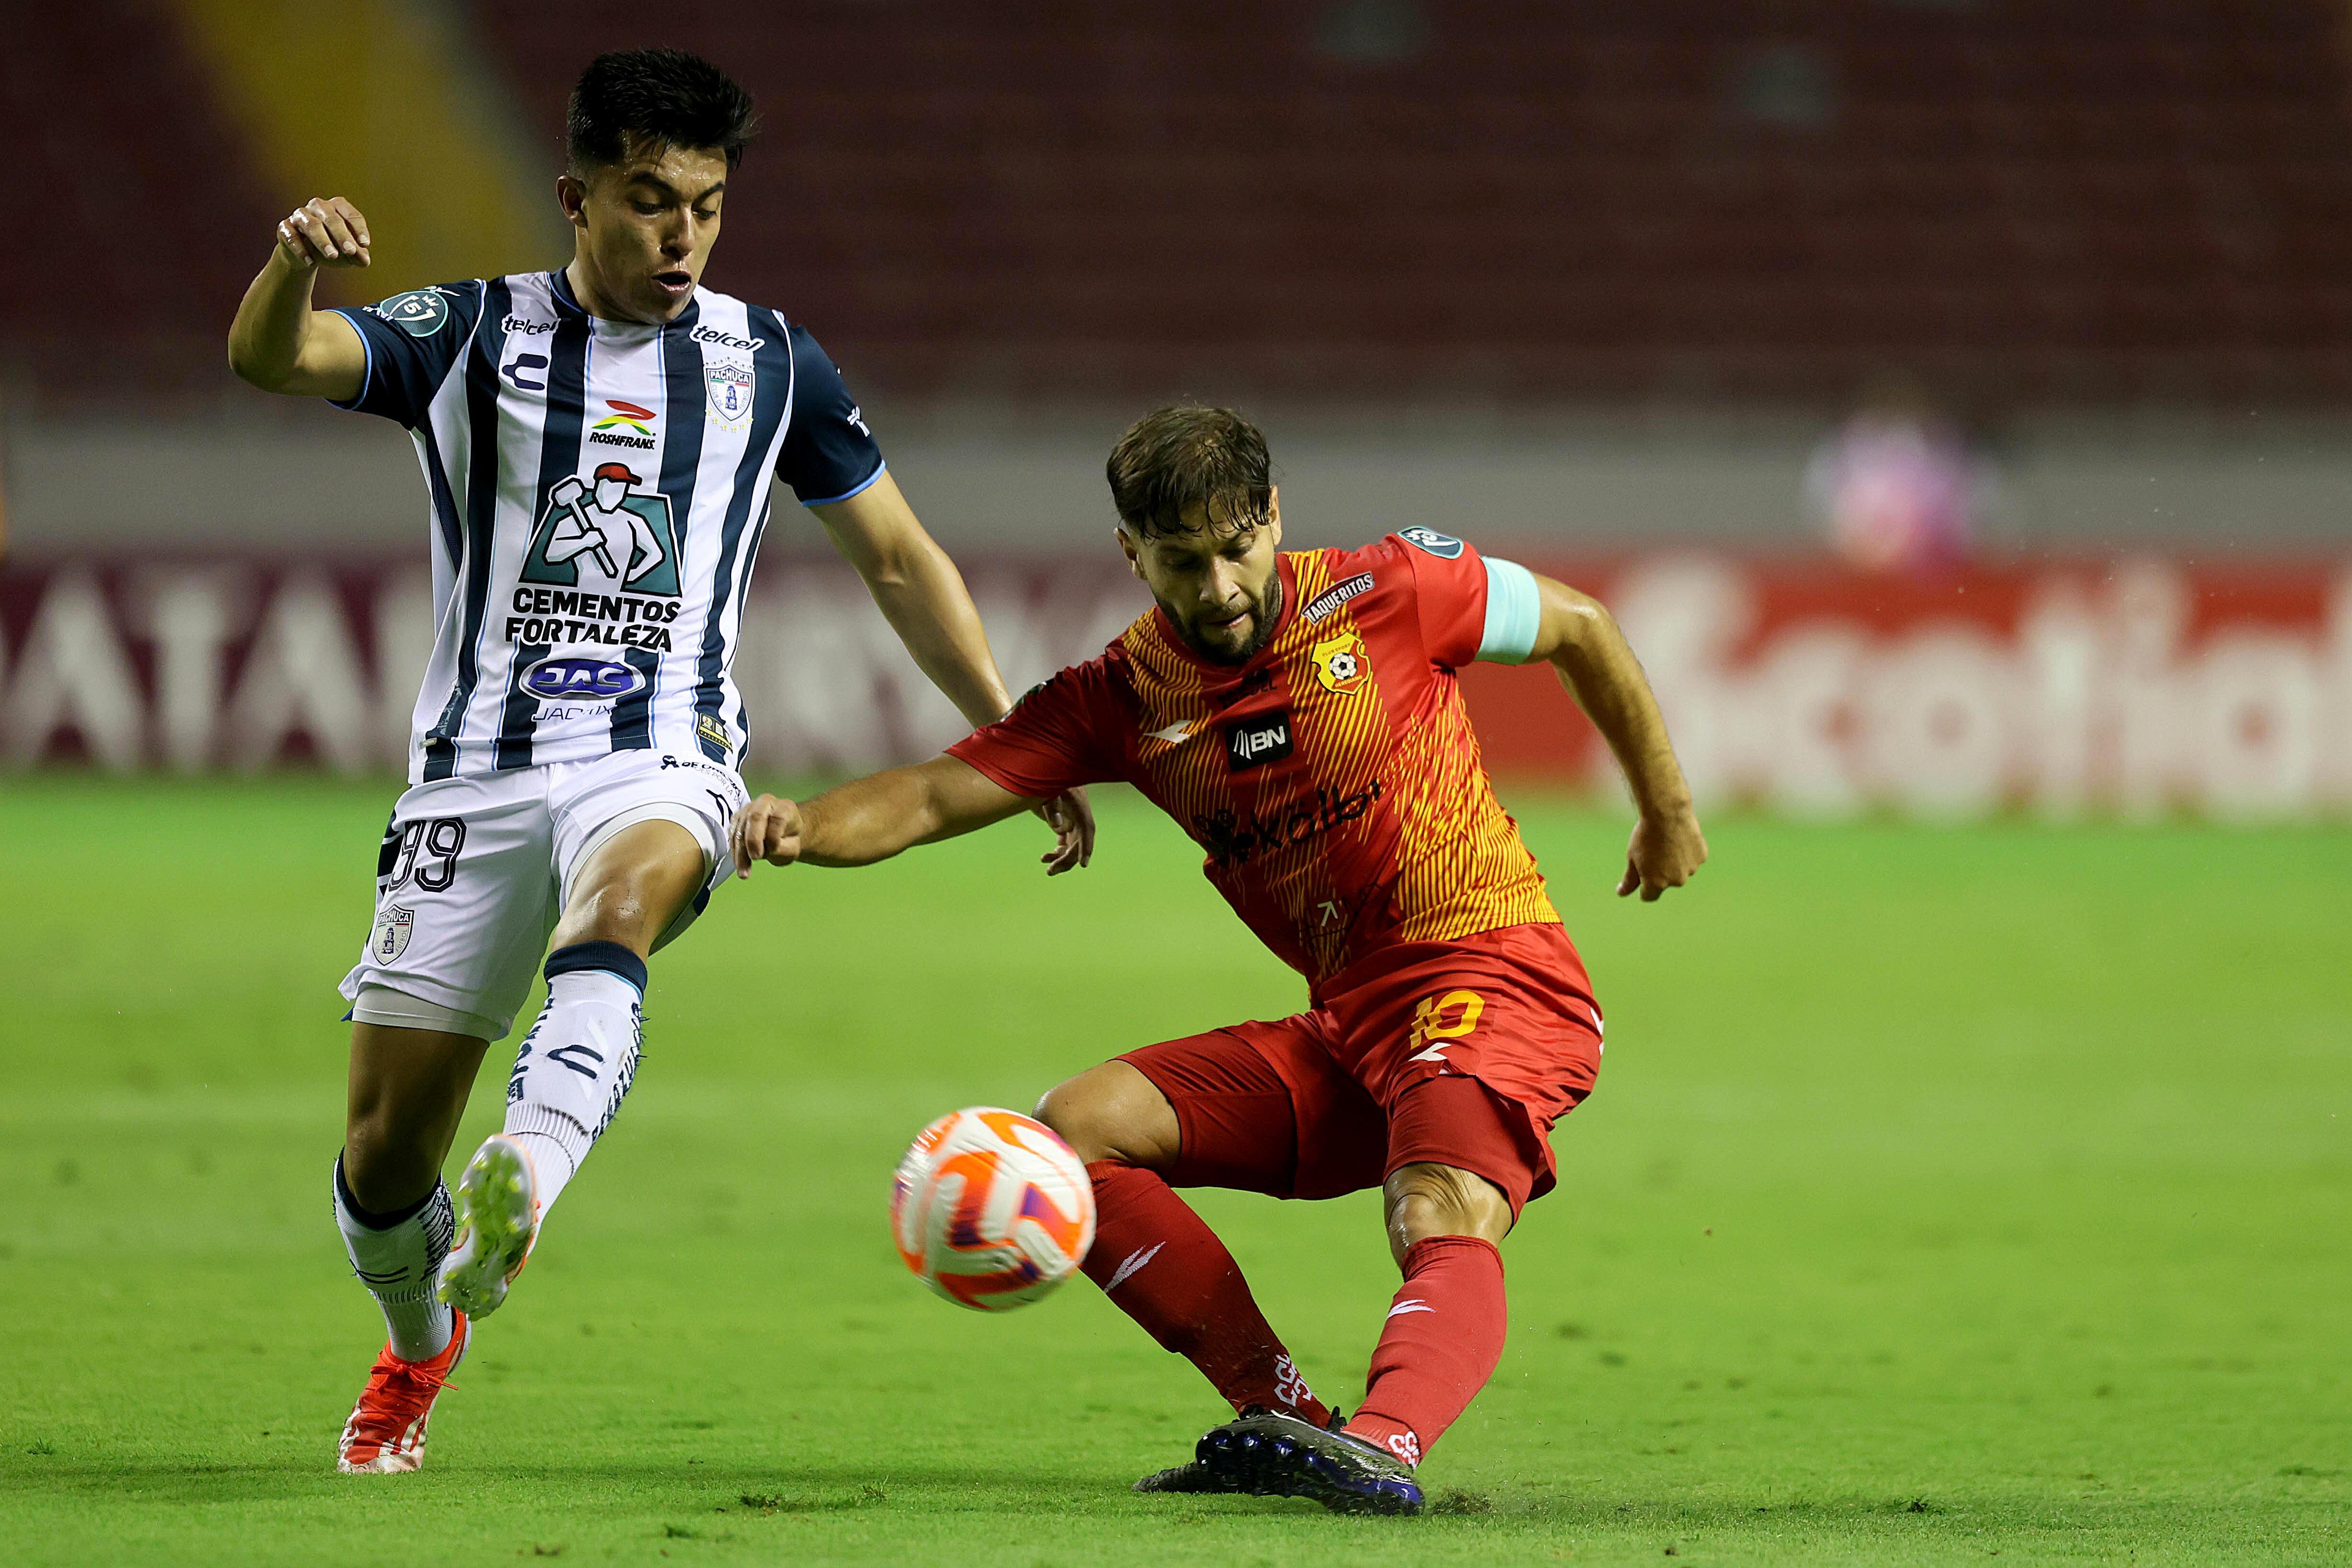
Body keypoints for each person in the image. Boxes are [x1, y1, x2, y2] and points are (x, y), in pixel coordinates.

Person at [225, 47, 1090, 1474]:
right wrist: (289, 267)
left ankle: (527, 1174)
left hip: (661, 752)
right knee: (381, 1166)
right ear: (577, 198)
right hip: (474, 773)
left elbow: (896, 557)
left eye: (706, 206)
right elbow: (276, 358)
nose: (681, 235)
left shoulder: (772, 363)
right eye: (647, 201)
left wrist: (1016, 735)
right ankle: (421, 1340)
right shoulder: (471, 333)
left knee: (620, 903)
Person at [730, 405, 1705, 1514]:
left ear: (1273, 515)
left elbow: (1580, 623)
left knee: (1435, 1205)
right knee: (1072, 1132)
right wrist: (805, 824)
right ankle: (1281, 1414)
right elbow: (931, 793)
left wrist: (1664, 808)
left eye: (1236, 548)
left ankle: (1382, 1446)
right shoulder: (1124, 695)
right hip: (1354, 1026)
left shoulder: (1390, 589)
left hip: (1491, 974)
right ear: (1131, 553)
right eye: (1181, 562)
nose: (1220, 586)